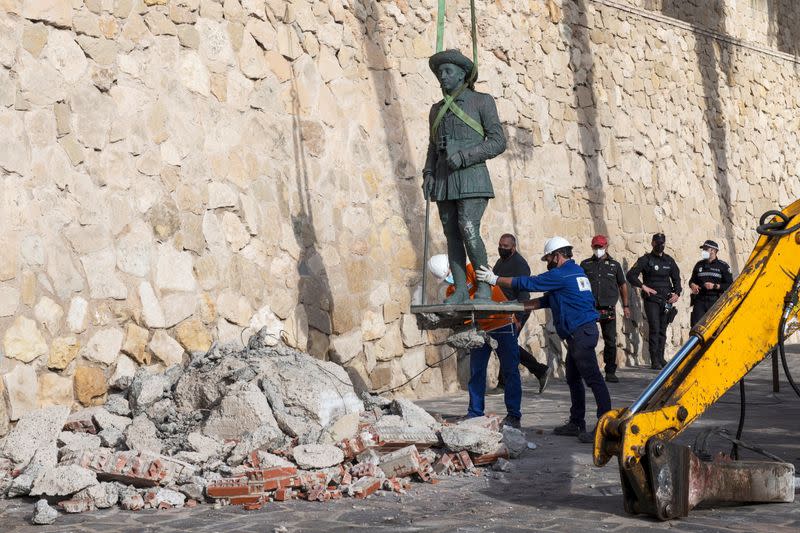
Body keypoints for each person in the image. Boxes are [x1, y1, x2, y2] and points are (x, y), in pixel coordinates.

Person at [476, 237, 612, 443]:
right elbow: (547, 300)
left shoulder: (561, 274)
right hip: (581, 333)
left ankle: (605, 426)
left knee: (594, 379)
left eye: (548, 258)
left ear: (557, 256)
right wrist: (517, 307)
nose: (547, 262)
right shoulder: (576, 272)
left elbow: (531, 282)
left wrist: (495, 279)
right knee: (574, 379)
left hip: (581, 333)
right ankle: (576, 422)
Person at [422, 49, 507, 305]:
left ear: (462, 75)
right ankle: (460, 288)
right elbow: (431, 146)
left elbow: (498, 142)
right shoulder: (436, 110)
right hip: (444, 181)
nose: (442, 77)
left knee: (469, 228)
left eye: (448, 71)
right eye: (440, 72)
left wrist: (465, 155)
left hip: (472, 178)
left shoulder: (482, 101)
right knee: (452, 234)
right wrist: (427, 173)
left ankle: (483, 286)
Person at [427, 254, 523, 429]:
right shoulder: (451, 291)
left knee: (510, 370)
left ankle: (514, 415)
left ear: (453, 266)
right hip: (480, 331)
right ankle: (475, 412)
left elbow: (486, 284)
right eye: (445, 276)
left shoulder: (472, 270)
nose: (449, 278)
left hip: (502, 323)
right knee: (476, 372)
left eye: (449, 272)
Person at [492, 234, 551, 394]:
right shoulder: (500, 262)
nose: (502, 249)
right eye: (500, 245)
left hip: (517, 312)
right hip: (501, 312)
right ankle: (540, 370)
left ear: (513, 247)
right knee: (506, 345)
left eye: (505, 246)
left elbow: (524, 294)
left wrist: (518, 317)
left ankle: (504, 384)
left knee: (506, 345)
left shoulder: (520, 265)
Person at [625, 233, 682, 370]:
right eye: (657, 243)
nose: (660, 245)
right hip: (652, 300)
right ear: (652, 243)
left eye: (662, 243)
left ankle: (661, 358)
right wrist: (643, 286)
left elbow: (676, 278)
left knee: (663, 328)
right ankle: (654, 360)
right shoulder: (645, 260)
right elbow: (631, 275)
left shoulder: (669, 261)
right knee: (655, 328)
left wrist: (677, 293)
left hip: (666, 300)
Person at [580, 235, 630, 383]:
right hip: (590, 307)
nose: (598, 250)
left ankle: (610, 372)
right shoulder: (585, 264)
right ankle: (587, 370)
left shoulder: (614, 265)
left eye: (600, 247)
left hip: (608, 308)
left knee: (610, 340)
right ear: (591, 247)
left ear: (606, 247)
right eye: (595, 247)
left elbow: (623, 285)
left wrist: (626, 306)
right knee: (586, 339)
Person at [689, 240, 733, 326]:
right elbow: (692, 281)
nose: (703, 251)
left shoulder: (723, 266)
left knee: (713, 327)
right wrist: (692, 285)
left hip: (715, 300)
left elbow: (730, 285)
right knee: (696, 326)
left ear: (713, 250)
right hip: (700, 300)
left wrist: (715, 286)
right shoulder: (699, 265)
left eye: (706, 249)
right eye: (703, 249)